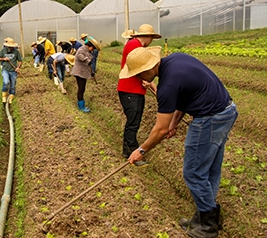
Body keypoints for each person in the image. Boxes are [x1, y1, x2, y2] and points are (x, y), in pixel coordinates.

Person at [120, 46, 238, 238]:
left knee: (192, 172)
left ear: (149, 68)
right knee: (209, 170)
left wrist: (141, 150)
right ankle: (203, 216)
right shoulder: (175, 60)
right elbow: (184, 98)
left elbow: (160, 129)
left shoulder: (167, 86)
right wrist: (174, 123)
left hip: (209, 119)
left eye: (138, 73)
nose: (137, 77)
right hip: (227, 111)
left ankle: (208, 226)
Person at [117, 24, 161, 159]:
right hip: (131, 90)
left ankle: (129, 149)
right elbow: (143, 70)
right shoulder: (135, 46)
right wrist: (154, 88)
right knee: (133, 122)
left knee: (134, 121)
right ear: (148, 37)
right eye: (152, 38)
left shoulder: (135, 45)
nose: (151, 42)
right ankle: (131, 152)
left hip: (134, 90)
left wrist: (154, 88)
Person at [70, 36, 100, 112]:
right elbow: (79, 56)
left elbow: (89, 65)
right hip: (79, 72)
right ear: (90, 46)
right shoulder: (81, 49)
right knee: (81, 89)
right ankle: (81, 107)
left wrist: (92, 73)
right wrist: (86, 60)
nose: (93, 50)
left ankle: (81, 105)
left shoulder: (87, 51)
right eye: (93, 48)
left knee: (82, 89)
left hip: (83, 72)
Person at [0, 37, 22, 104]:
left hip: (13, 70)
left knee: (13, 84)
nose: (10, 48)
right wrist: (4, 59)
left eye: (12, 47)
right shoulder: (3, 50)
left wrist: (18, 67)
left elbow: (20, 61)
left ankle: (11, 96)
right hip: (5, 69)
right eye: (9, 46)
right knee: (6, 82)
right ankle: (4, 96)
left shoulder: (16, 52)